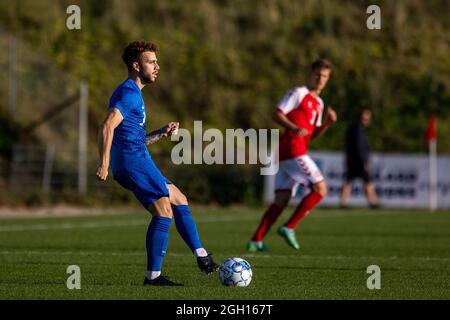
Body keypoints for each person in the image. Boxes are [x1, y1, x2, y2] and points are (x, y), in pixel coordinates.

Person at [96, 41, 219, 286]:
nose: (157, 66)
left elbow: (133, 138)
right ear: (135, 65)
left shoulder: (133, 93)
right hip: (133, 163)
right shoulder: (128, 93)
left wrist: (160, 133)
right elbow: (107, 125)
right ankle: (154, 276)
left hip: (136, 158)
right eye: (151, 62)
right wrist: (104, 164)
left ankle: (202, 257)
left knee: (179, 199)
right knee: (163, 211)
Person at [247, 59, 337, 252]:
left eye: (325, 77)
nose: (320, 79)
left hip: (291, 153)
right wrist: (294, 127)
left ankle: (256, 240)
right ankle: (289, 227)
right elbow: (277, 113)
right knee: (320, 189)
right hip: (292, 151)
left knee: (282, 199)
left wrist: (328, 123)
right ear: (310, 74)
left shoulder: (319, 103)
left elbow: (313, 133)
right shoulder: (298, 93)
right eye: (318, 75)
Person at [340, 109, 379, 208]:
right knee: (367, 181)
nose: (366, 121)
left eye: (367, 119)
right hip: (358, 161)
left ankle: (344, 202)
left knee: (349, 181)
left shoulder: (355, 128)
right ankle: (373, 202)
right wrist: (364, 162)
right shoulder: (358, 130)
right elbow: (359, 147)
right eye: (364, 119)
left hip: (353, 160)